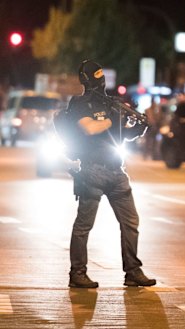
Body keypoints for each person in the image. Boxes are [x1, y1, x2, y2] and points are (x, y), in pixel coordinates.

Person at [65, 60, 156, 288]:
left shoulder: (112, 103)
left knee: (131, 222)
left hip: (116, 171)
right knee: (84, 225)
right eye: (96, 74)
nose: (101, 79)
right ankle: (77, 273)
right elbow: (89, 127)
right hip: (91, 171)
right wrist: (111, 119)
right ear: (86, 78)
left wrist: (139, 127)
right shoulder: (79, 103)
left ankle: (133, 271)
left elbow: (121, 135)